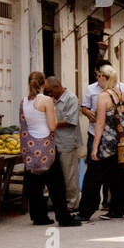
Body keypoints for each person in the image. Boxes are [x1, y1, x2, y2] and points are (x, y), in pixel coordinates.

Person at [21, 71, 80, 228]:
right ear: (43, 85)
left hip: (31, 146)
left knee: (34, 183)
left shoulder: (23, 102)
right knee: (56, 184)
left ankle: (38, 216)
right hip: (46, 146)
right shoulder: (46, 100)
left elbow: (23, 125)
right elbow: (52, 126)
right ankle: (63, 217)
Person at [82, 64, 124, 213]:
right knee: (117, 176)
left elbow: (100, 124)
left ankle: (86, 211)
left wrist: (95, 147)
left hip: (105, 142)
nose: (97, 79)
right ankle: (118, 209)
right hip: (119, 140)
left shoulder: (103, 97)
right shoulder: (121, 94)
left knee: (92, 178)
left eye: (99, 76)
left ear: (104, 78)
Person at [43, 75, 82, 211]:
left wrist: (51, 124)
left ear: (57, 86)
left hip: (68, 141)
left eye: (50, 91)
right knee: (56, 175)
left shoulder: (71, 98)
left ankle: (72, 203)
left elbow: (70, 120)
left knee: (69, 174)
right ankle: (56, 201)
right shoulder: (52, 99)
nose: (49, 94)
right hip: (54, 141)